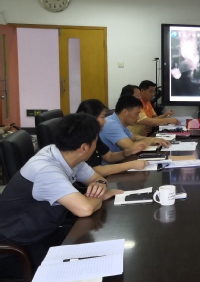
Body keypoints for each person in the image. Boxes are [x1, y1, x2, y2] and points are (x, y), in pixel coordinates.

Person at [0, 114, 122, 269]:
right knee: (99, 263)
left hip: (45, 232)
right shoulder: (47, 170)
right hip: (18, 249)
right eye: (96, 141)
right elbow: (85, 209)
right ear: (84, 148)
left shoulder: (65, 154)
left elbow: (97, 178)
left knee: (107, 245)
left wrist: (99, 185)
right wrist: (101, 196)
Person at [76, 99, 148, 175]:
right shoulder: (82, 139)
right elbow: (98, 170)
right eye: (102, 117)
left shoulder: (94, 135)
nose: (105, 121)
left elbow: (109, 156)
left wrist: (126, 152)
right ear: (91, 118)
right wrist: (131, 165)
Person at [100, 95, 171, 153]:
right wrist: (151, 140)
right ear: (125, 112)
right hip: (111, 165)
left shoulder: (119, 122)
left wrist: (154, 139)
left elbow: (134, 138)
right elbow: (131, 146)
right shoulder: (111, 124)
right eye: (137, 114)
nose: (138, 117)